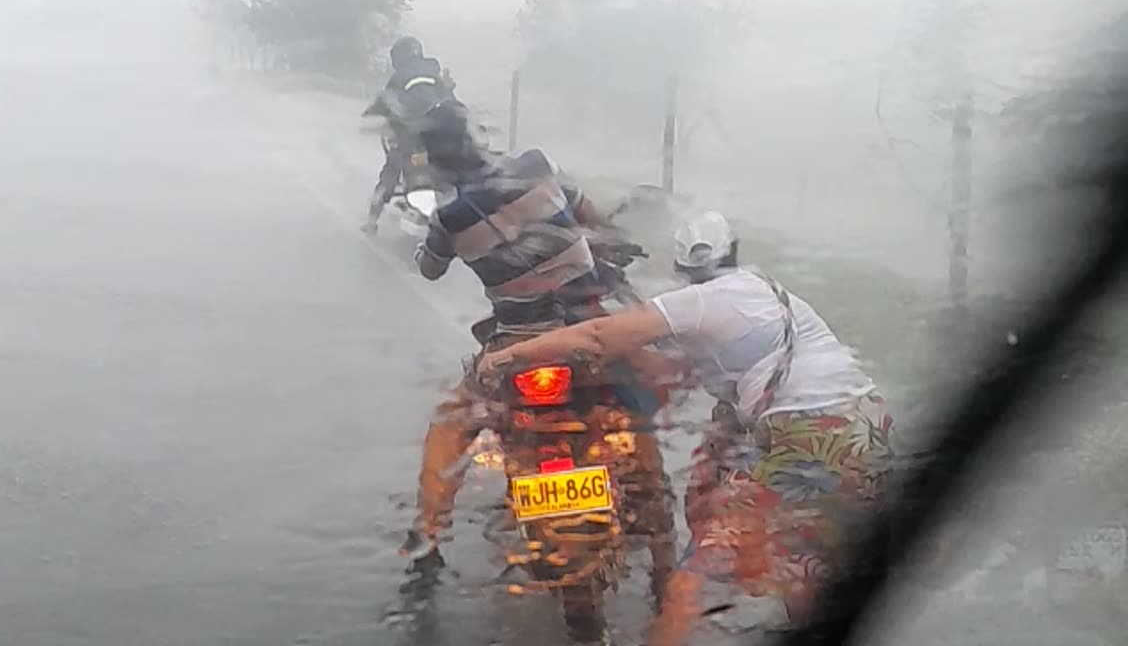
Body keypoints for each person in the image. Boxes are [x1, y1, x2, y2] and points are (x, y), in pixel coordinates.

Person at [478, 211, 895, 642]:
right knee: (804, 563)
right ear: (732, 251)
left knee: (691, 585)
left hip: (812, 438)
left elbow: (600, 337)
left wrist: (508, 356)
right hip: (864, 428)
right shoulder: (767, 296)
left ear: (684, 270)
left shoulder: (703, 299)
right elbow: (678, 377)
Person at [402, 99, 678, 601]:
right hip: (593, 331)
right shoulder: (535, 165)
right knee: (641, 427)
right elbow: (593, 220)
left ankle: (428, 535)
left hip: (519, 348)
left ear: (436, 160)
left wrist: (432, 241)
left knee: (450, 426)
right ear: (477, 136)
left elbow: (430, 269)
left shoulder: (447, 218)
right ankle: (665, 561)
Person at [361, 36, 455, 233]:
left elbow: (383, 103)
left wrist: (368, 116)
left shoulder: (399, 77)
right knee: (452, 171)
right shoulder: (434, 72)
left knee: (390, 173)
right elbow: (450, 100)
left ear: (398, 57)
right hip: (438, 137)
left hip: (409, 138)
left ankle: (372, 220)